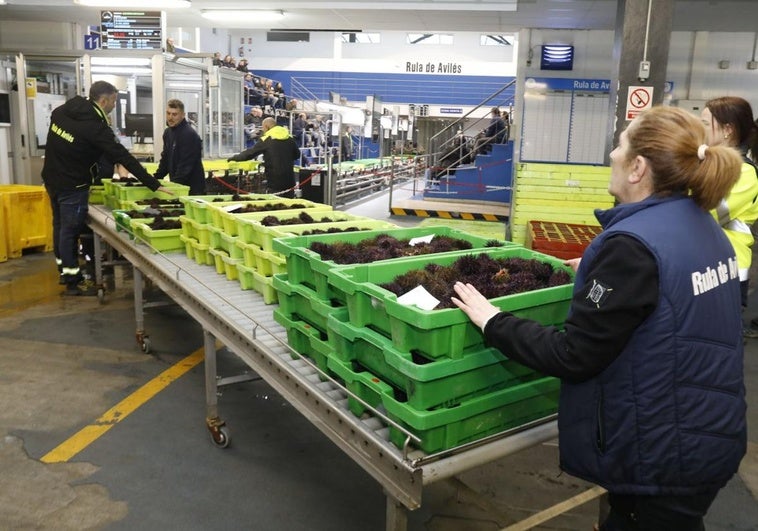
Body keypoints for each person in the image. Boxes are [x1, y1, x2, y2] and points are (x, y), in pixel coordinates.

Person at [451, 106, 746, 531]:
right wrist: (598, 273)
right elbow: (667, 301)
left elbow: (574, 355)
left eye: (621, 144)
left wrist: (493, 320)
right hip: (705, 432)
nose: (611, 154)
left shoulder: (632, 246)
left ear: (637, 168)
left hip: (661, 455)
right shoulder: (702, 225)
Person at [41, 80, 171, 296]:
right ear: (103, 100)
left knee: (60, 226)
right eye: (113, 101)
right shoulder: (95, 126)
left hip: (52, 179)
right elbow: (122, 156)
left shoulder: (64, 110)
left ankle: (64, 271)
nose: (114, 105)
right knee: (69, 231)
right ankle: (73, 280)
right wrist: (153, 184)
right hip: (73, 185)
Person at [700, 97, 758, 337]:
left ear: (727, 130)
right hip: (705, 264)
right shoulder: (708, 164)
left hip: (728, 267)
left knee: (717, 338)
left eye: (705, 123)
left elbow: (708, 210)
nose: (699, 129)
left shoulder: (744, 172)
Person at [227, 117, 300, 197]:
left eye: (263, 127)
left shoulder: (266, 139)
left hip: (275, 181)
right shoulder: (289, 138)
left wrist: (235, 157)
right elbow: (297, 155)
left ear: (266, 126)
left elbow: (250, 153)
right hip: (289, 181)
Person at [153, 99, 205, 195]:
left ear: (183, 115)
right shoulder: (168, 133)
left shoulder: (189, 135)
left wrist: (174, 186)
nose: (170, 117)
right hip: (178, 185)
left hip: (192, 189)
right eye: (168, 113)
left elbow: (186, 166)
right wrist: (154, 180)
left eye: (174, 114)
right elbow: (165, 159)